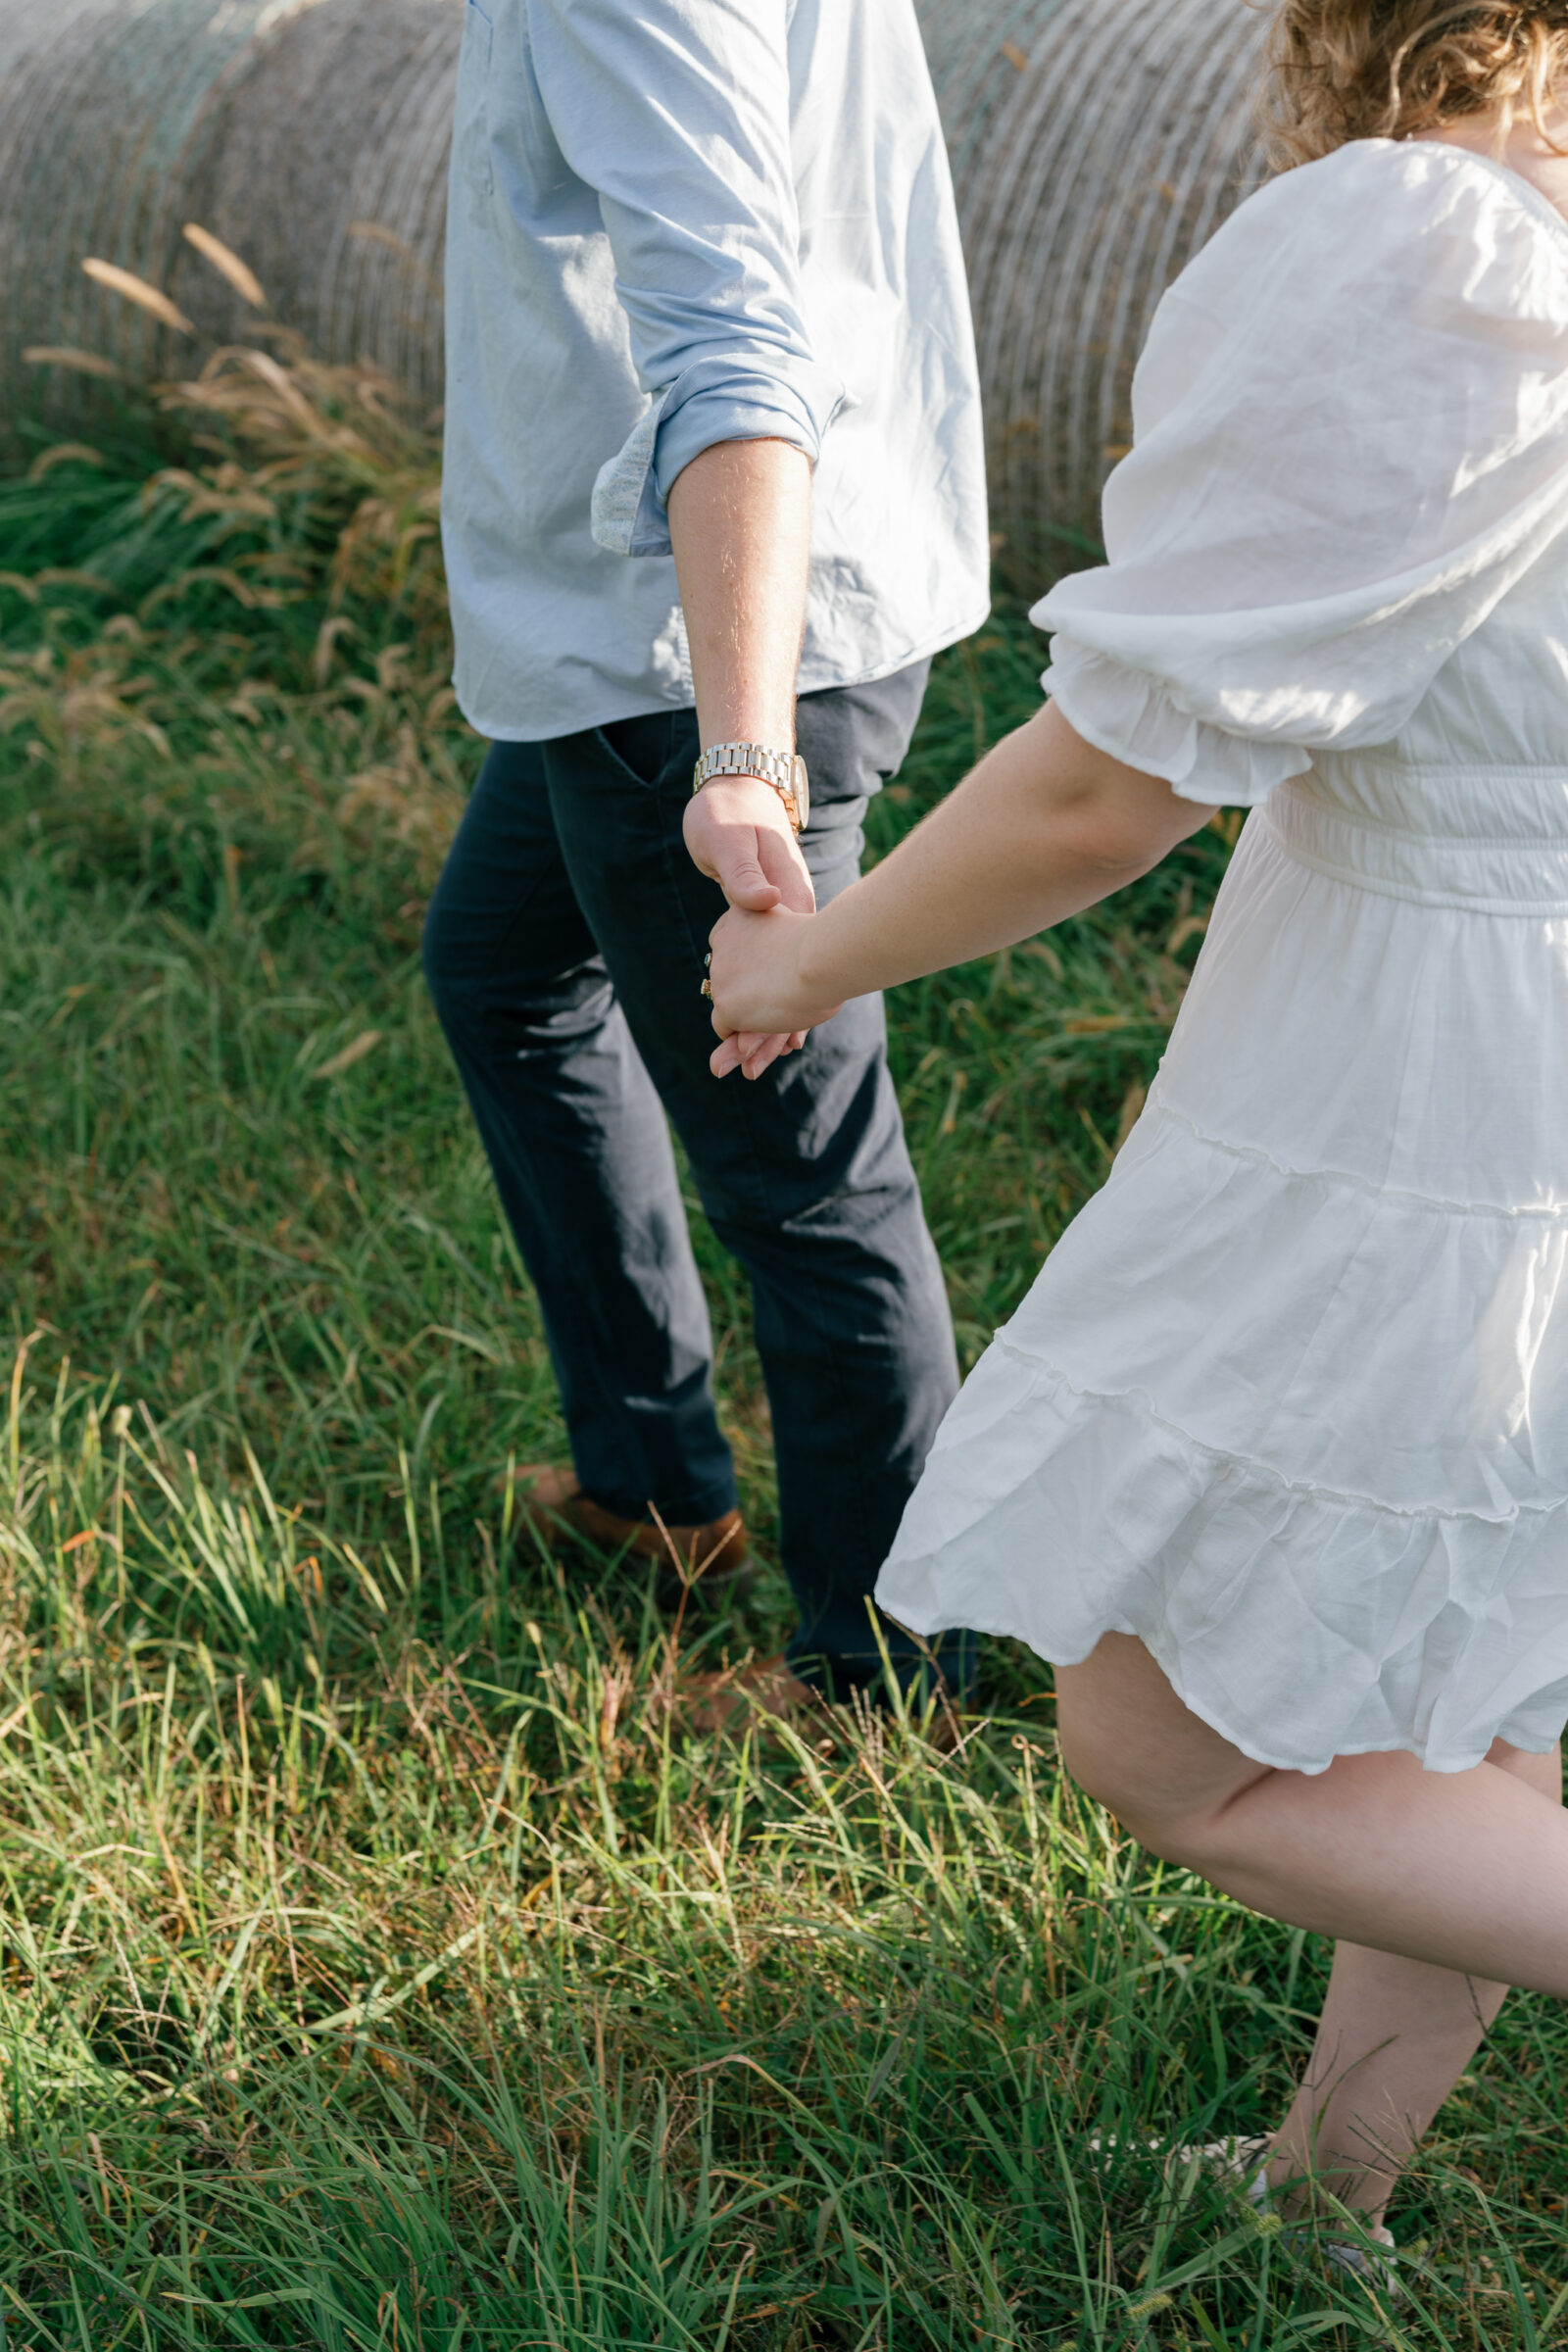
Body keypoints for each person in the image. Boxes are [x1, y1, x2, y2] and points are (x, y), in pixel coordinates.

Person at [708, 0, 1568, 2278]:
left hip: (1437, 1064)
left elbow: (1114, 781)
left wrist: (817, 959)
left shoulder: (1426, 239)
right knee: (1467, 1701)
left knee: (1165, 1741)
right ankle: (1323, 2198)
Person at [421, 1, 989, 1707]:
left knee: (802, 1175)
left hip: (690, 647)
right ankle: (650, 1488)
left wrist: (739, 755)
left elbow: (731, 330)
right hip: (700, 617)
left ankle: (888, 1678)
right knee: (505, 969)